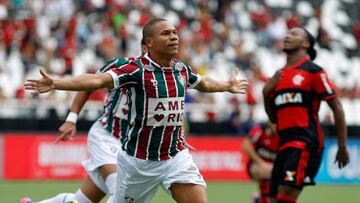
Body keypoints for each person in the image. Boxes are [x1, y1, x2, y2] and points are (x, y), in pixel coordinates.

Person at [24, 18, 248, 203]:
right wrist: (57, 85)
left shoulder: (180, 68)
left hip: (174, 156)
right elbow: (94, 81)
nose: (173, 36)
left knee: (82, 200)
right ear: (147, 44)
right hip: (132, 157)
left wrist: (227, 86)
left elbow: (203, 85)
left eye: (175, 33)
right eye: (166, 33)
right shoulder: (134, 70)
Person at [21, 41, 148, 203]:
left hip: (130, 147)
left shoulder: (167, 77)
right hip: (107, 136)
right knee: (122, 192)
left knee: (82, 201)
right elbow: (89, 84)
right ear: (146, 46)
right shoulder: (122, 65)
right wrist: (71, 118)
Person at [262, 27, 350, 203]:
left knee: (285, 196)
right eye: (287, 33)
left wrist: (342, 146)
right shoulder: (279, 76)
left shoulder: (313, 72)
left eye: (294, 34)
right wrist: (266, 92)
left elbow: (337, 107)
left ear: (306, 43)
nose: (287, 35)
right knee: (271, 199)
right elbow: (273, 118)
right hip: (284, 145)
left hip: (304, 142)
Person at [243, 121, 279, 203]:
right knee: (264, 171)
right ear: (270, 122)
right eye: (275, 122)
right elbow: (245, 145)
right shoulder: (260, 130)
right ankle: (263, 199)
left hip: (276, 167)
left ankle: (258, 199)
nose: (277, 126)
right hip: (257, 165)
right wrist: (261, 163)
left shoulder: (285, 135)